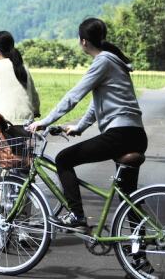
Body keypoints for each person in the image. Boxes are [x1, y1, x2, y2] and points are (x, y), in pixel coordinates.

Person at [28, 18, 147, 231]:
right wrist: (79, 127)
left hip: (120, 134)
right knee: (128, 196)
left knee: (64, 159)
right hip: (136, 134)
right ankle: (139, 252)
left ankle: (76, 215)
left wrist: (44, 121)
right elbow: (95, 104)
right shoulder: (113, 61)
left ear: (83, 41)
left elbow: (74, 96)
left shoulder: (103, 61)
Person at [0, 31, 40, 196]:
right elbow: (33, 94)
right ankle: (25, 209)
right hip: (25, 123)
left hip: (4, 124)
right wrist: (36, 111)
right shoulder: (22, 66)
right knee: (22, 162)